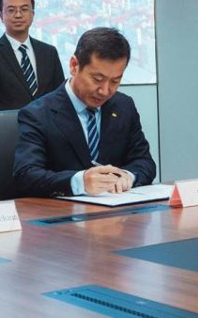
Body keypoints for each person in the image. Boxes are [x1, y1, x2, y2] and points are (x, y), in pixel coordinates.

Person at [13, 27, 156, 198]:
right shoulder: (38, 114)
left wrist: (127, 176)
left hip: (117, 209)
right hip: (62, 211)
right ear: (74, 66)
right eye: (97, 79)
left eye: (115, 81)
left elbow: (144, 162)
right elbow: (26, 175)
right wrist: (80, 182)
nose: (105, 91)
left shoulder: (124, 106)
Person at [0, 0, 64, 112]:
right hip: (9, 125)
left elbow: (60, 98)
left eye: (24, 9)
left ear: (32, 14)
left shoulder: (49, 53)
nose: (18, 15)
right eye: (11, 10)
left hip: (48, 124)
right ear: (1, 16)